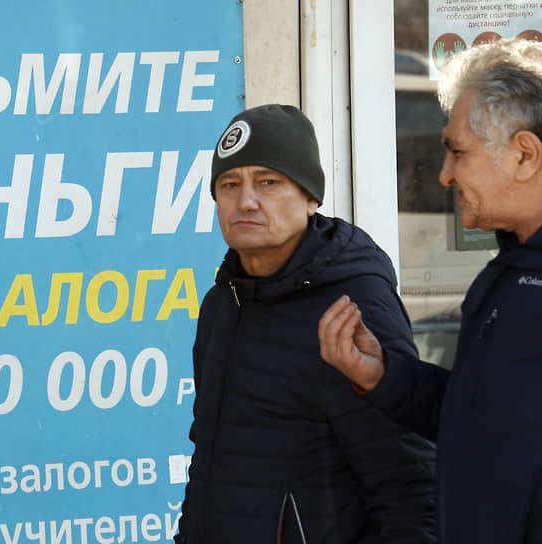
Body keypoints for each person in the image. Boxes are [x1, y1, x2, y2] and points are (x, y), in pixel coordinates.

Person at [174, 105, 436, 543]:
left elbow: (410, 487)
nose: (246, 201)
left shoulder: (352, 301)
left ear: (311, 197)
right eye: (230, 184)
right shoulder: (223, 303)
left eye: (269, 182)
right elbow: (209, 460)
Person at [319, 38, 542, 543]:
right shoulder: (506, 275)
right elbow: (478, 420)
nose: (443, 175)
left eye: (458, 152)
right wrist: (381, 375)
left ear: (525, 155)